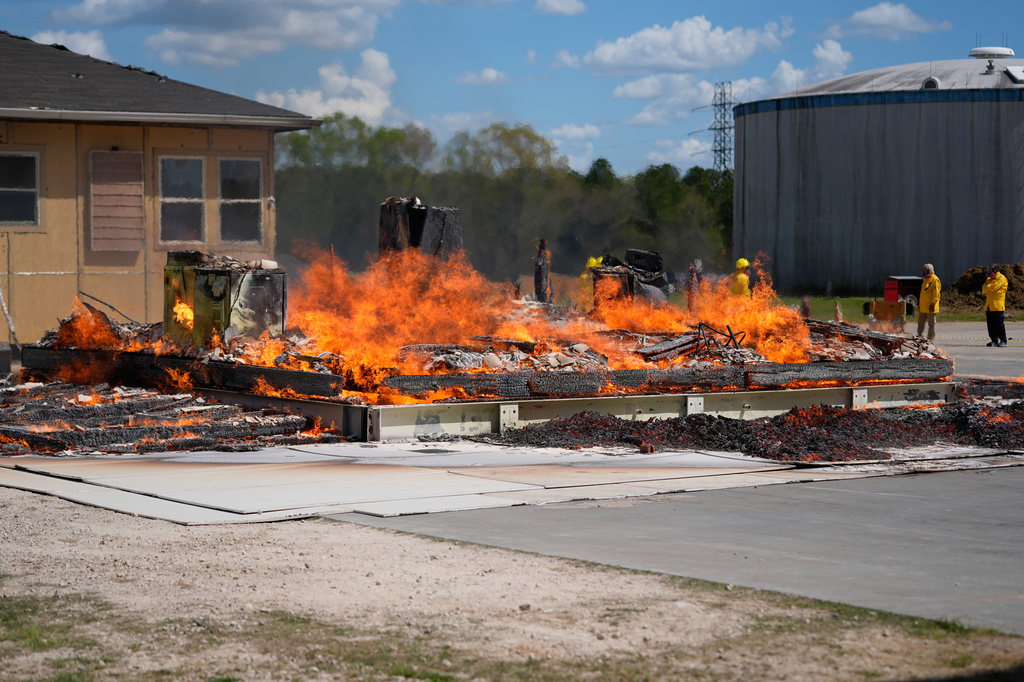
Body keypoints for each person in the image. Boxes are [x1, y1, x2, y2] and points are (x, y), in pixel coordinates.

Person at [981, 263, 1008, 347]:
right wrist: (989, 287)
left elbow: (994, 287)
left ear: (996, 270)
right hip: (989, 305)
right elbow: (984, 290)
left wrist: (989, 287)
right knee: (991, 324)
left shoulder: (1001, 278)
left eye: (990, 270)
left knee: (999, 324)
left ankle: (1003, 340)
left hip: (998, 305)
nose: (989, 272)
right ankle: (994, 340)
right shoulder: (989, 279)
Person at [916, 263, 940, 341]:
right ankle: (919, 336)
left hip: (931, 307)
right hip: (923, 307)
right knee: (920, 323)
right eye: (923, 270)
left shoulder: (934, 280)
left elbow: (936, 294)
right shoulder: (925, 280)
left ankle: (930, 339)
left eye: (926, 271)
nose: (924, 272)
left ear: (930, 271)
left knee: (931, 324)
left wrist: (933, 304)